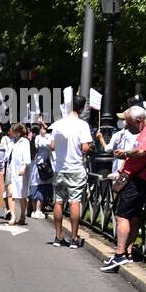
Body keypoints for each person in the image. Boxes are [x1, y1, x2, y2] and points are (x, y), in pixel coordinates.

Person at [102, 105, 146, 270]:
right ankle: (127, 253)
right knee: (134, 216)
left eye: (128, 122)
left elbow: (143, 152)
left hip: (139, 180)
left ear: (138, 121)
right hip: (137, 178)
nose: (126, 126)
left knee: (122, 216)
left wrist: (126, 154)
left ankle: (120, 255)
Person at [50, 94, 93, 248]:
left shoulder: (58, 124)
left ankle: (58, 236)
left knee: (59, 201)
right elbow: (85, 148)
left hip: (60, 168)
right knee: (75, 201)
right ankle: (74, 238)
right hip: (76, 168)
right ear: (82, 108)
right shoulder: (82, 125)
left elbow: (52, 146)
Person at [6, 122, 32, 225]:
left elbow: (26, 155)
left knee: (22, 195)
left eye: (15, 131)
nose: (13, 133)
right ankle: (12, 216)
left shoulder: (24, 141)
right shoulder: (11, 142)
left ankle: (22, 216)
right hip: (10, 169)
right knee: (10, 193)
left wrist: (24, 167)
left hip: (21, 171)